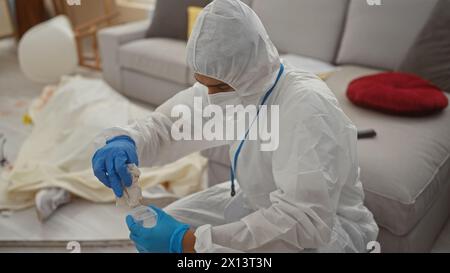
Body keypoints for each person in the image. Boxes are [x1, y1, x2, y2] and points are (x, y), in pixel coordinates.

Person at [92, 0, 378, 253]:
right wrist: (128, 141)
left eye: (218, 86)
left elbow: (304, 223)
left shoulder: (306, 109)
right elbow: (170, 125)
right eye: (204, 84)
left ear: (249, 70)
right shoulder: (237, 89)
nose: (211, 98)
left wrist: (190, 244)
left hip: (327, 235)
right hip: (257, 201)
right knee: (170, 222)